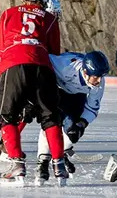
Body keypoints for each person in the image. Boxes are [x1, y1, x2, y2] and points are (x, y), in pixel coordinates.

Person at [0, 0, 66, 186]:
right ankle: (59, 164)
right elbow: (54, 54)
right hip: (42, 66)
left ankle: (16, 164)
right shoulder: (49, 18)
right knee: (50, 117)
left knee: (6, 115)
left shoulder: (8, 13)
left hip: (14, 63)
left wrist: (1, 79)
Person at [34, 51, 110, 185]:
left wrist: (81, 123)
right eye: (96, 76)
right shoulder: (65, 66)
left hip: (76, 97)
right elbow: (41, 58)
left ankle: (61, 151)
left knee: (72, 133)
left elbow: (92, 108)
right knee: (51, 123)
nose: (99, 80)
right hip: (55, 89)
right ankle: (43, 161)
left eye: (101, 76)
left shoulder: (98, 83)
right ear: (85, 72)